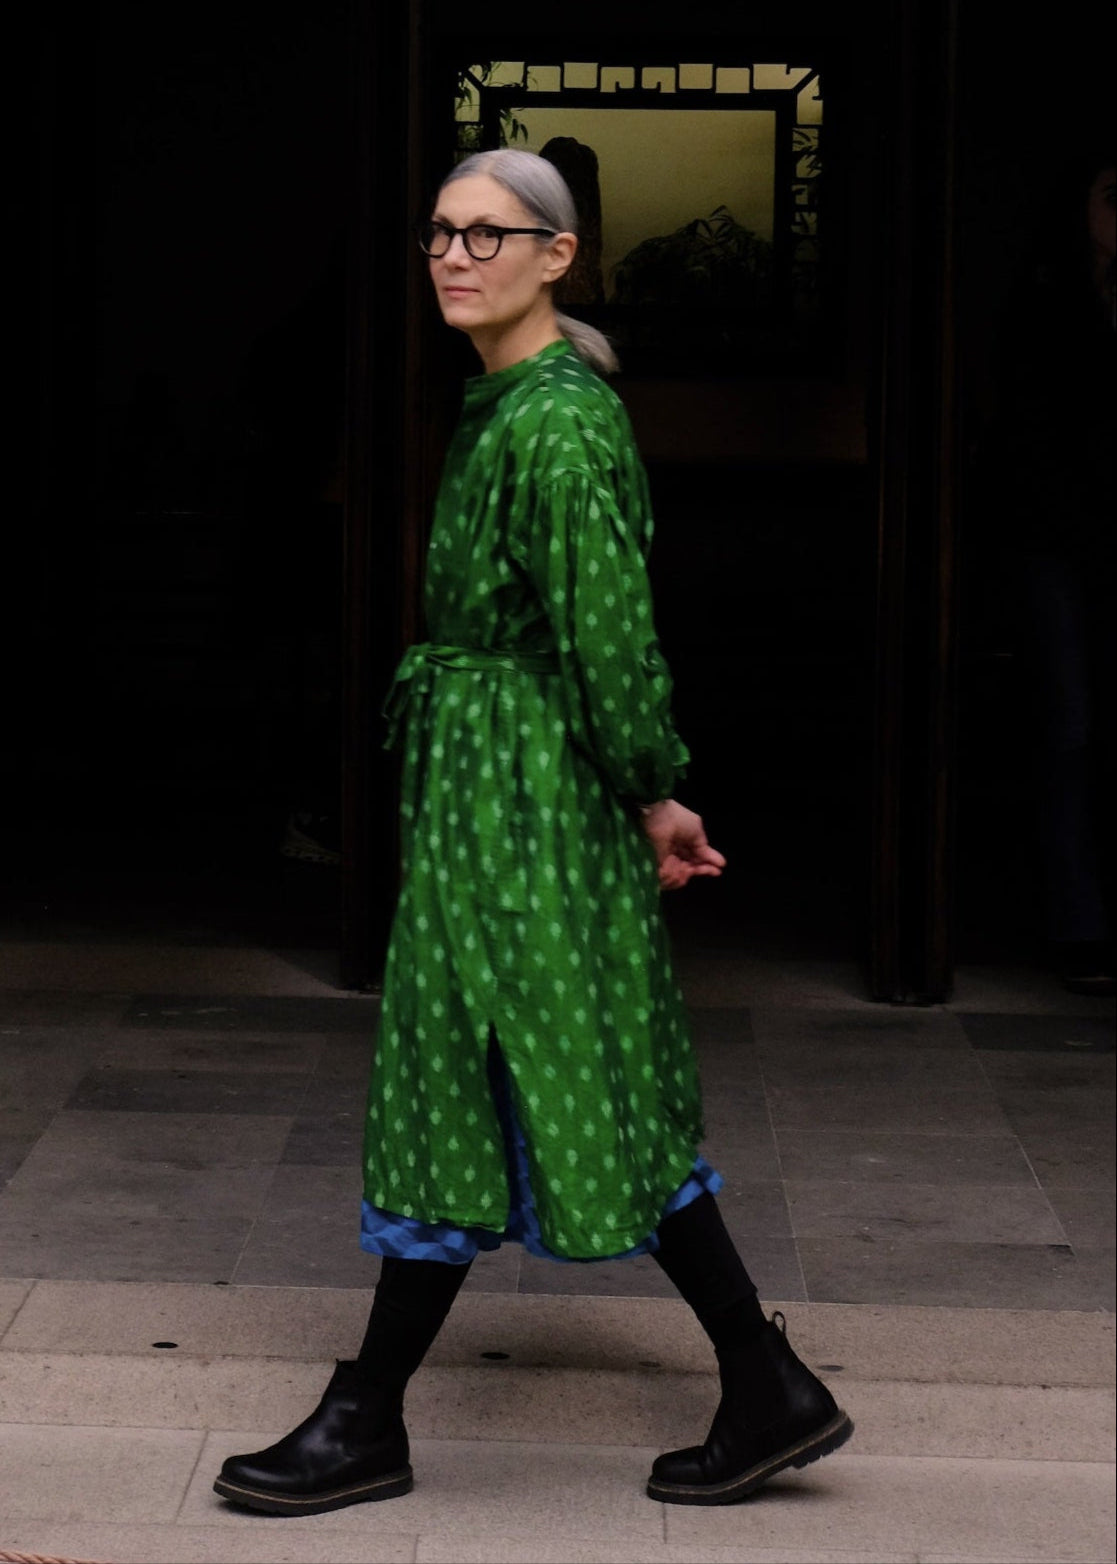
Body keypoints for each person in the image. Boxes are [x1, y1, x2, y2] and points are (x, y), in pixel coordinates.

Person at [213, 148, 853, 1515]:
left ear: (557, 256)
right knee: (546, 1066)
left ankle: (370, 1417)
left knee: (490, 1065)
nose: (453, 255)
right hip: (495, 793)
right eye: (439, 233)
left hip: (522, 804)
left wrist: (655, 785)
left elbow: (610, 638)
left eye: (487, 234)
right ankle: (760, 1383)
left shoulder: (555, 425)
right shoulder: (509, 404)